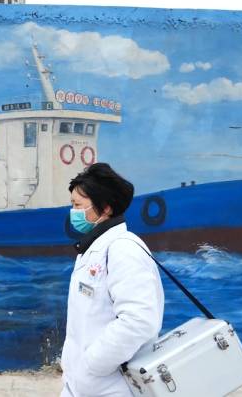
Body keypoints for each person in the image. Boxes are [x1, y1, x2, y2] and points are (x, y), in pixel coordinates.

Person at [60, 163, 164, 397]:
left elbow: (139, 320)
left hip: (111, 387)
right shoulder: (94, 248)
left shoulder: (123, 250)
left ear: (105, 207)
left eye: (78, 205)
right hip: (82, 386)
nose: (73, 212)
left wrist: (92, 364)